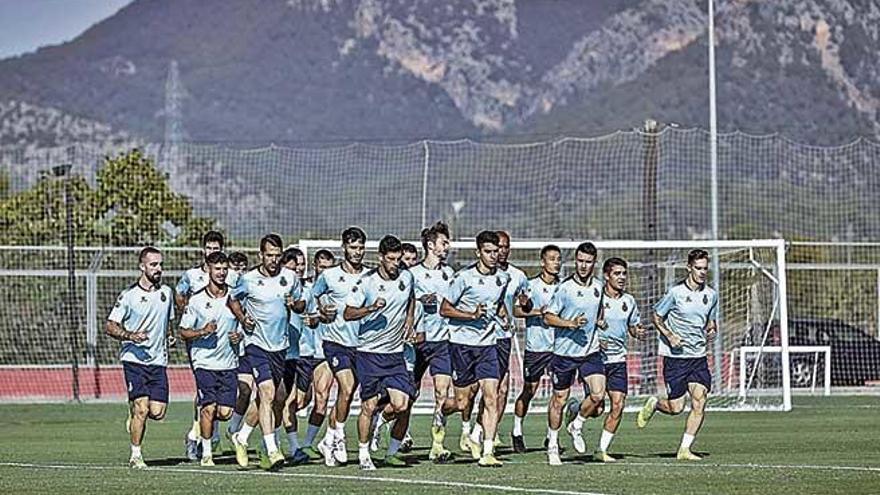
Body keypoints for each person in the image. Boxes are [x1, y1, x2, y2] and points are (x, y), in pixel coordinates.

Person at [228, 234, 304, 471]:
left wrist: (295, 305)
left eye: (277, 255)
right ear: (261, 255)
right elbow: (233, 301)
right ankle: (272, 449)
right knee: (268, 392)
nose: (273, 259)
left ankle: (241, 436)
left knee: (270, 399)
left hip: (280, 347)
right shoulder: (248, 279)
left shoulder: (290, 277)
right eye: (269, 255)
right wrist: (243, 318)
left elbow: (302, 304)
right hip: (256, 344)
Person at [436, 230, 510, 467]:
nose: (493, 256)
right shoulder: (463, 278)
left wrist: (504, 315)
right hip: (462, 346)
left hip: (488, 345)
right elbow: (445, 309)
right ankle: (441, 411)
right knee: (461, 403)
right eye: (488, 252)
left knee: (492, 396)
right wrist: (470, 315)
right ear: (478, 252)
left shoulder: (503, 278)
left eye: (495, 251)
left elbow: (497, 305)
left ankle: (488, 451)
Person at [637, 249, 718, 461]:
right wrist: (669, 335)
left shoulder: (711, 295)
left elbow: (711, 321)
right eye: (698, 268)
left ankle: (684, 449)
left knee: (699, 401)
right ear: (689, 268)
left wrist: (711, 329)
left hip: (698, 358)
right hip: (676, 358)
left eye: (705, 269)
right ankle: (655, 403)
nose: (702, 273)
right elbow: (656, 316)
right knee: (676, 408)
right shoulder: (675, 293)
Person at [343, 235, 416, 470]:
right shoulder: (367, 283)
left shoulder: (407, 276)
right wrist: (370, 308)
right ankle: (364, 455)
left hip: (394, 354)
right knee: (369, 405)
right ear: (381, 258)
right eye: (392, 259)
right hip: (369, 353)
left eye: (399, 259)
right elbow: (348, 313)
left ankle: (379, 423)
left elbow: (411, 297)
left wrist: (410, 319)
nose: (396, 264)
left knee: (402, 404)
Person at [105, 247, 174, 469]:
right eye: (154, 265)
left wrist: (170, 336)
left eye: (160, 264)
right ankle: (136, 455)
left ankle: (133, 409)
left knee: (157, 412)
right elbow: (110, 326)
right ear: (142, 267)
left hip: (158, 361)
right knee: (142, 408)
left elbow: (168, 321)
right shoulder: (129, 295)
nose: (159, 269)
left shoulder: (167, 293)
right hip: (134, 359)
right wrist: (130, 336)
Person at [543, 241, 606, 466]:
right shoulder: (565, 289)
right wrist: (569, 324)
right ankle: (552, 445)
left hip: (590, 351)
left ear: (594, 263)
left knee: (598, 396)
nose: (583, 265)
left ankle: (576, 423)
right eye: (580, 261)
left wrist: (601, 322)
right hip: (564, 354)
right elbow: (547, 317)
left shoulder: (599, 288)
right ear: (575, 261)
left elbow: (599, 312)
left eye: (588, 262)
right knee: (559, 399)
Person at [178, 251, 243, 467]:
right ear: (208, 269)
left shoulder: (236, 297)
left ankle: (200, 431)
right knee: (208, 408)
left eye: (225, 269)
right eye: (217, 268)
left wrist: (239, 334)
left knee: (224, 413)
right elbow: (184, 331)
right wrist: (202, 331)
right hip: (204, 362)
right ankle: (206, 454)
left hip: (229, 362)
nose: (222, 273)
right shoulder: (196, 300)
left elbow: (245, 323)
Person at [313, 227, 368, 466]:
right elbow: (315, 296)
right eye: (353, 247)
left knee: (349, 393)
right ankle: (339, 437)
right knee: (346, 388)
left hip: (362, 344)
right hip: (335, 342)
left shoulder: (370, 276)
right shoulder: (329, 276)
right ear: (344, 248)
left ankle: (328, 437)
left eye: (361, 247)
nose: (357, 252)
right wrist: (322, 308)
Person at [177, 230, 225, 461]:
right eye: (209, 248)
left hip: (225, 344)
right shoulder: (192, 275)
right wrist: (191, 313)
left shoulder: (228, 275)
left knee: (220, 399)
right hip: (201, 344)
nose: (212, 252)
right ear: (203, 250)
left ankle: (206, 433)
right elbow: (179, 296)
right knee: (204, 390)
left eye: (216, 248)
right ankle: (196, 435)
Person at [511, 244, 561, 453]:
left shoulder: (565, 287)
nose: (556, 263)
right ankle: (516, 430)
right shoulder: (531, 286)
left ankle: (551, 437)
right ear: (542, 262)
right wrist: (539, 312)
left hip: (559, 348)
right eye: (552, 259)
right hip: (536, 348)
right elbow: (516, 310)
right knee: (529, 390)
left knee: (560, 394)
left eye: (558, 259)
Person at [595, 257, 645, 462]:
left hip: (618, 359)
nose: (622, 277)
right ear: (607, 276)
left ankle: (601, 450)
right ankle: (575, 411)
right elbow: (584, 324)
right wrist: (597, 339)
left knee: (618, 404)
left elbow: (633, 326)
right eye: (617, 273)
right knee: (597, 407)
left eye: (624, 273)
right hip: (595, 358)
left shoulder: (629, 301)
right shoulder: (596, 298)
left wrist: (637, 331)